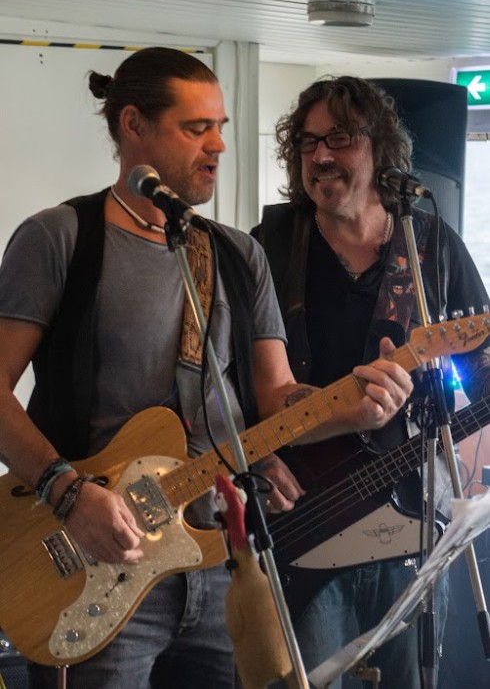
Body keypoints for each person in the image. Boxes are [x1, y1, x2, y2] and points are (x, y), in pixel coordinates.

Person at [0, 51, 413, 689]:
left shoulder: (237, 254)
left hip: (221, 558)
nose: (219, 145)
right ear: (133, 125)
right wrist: (67, 492)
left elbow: (277, 399)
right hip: (94, 562)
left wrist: (348, 407)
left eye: (221, 126)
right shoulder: (61, 238)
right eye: (197, 129)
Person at [251, 75, 490, 689]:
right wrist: (257, 458)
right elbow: (226, 386)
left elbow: (485, 367)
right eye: (307, 143)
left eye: (339, 138)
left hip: (407, 520)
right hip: (300, 521)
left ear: (380, 151)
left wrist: (468, 448)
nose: (320, 155)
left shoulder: (430, 244)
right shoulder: (270, 247)